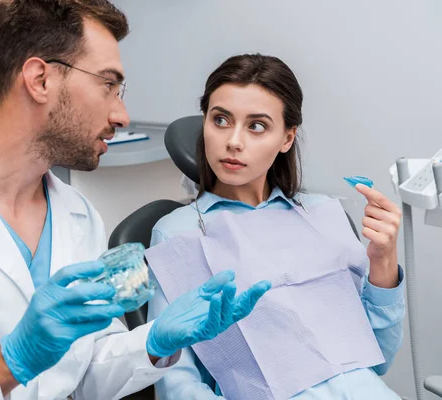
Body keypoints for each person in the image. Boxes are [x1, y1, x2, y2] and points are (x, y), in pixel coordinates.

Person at [0, 2, 270, 400]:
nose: (121, 115)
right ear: (40, 79)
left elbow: (83, 375)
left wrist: (154, 342)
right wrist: (6, 363)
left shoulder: (78, 216)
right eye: (109, 85)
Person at [147, 54, 405, 399]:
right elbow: (176, 383)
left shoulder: (321, 214)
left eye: (256, 126)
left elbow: (378, 358)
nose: (234, 141)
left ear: (286, 138)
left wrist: (383, 260)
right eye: (220, 119)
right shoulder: (177, 234)